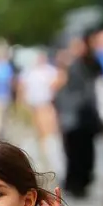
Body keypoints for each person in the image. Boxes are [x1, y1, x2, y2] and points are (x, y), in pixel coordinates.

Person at [54, 31, 103, 199]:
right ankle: (75, 183)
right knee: (75, 151)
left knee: (86, 151)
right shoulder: (68, 64)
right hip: (73, 114)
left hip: (86, 114)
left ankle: (81, 182)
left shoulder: (90, 63)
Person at [18, 50, 63, 180]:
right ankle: (39, 161)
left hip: (45, 104)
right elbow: (22, 87)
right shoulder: (29, 72)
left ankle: (51, 162)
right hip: (33, 106)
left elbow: (58, 82)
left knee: (49, 135)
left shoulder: (49, 71)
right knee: (36, 135)